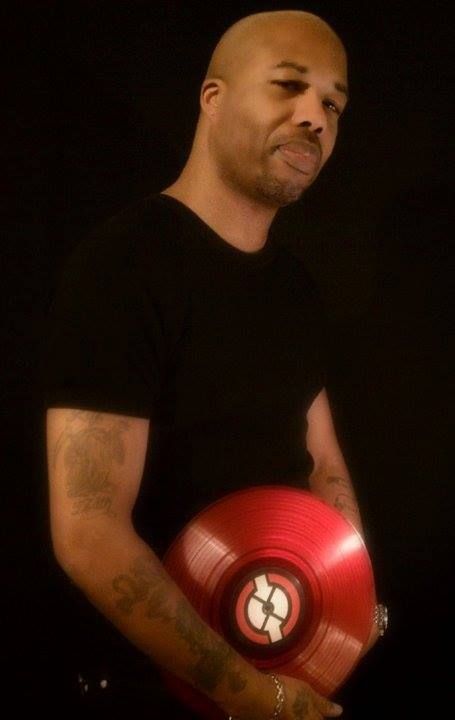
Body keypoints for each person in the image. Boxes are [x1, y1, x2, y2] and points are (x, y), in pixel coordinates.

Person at [43, 9, 381, 719]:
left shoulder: (293, 287)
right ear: (213, 97)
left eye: (333, 104)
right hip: (154, 695)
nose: (314, 117)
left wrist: (349, 595)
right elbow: (88, 532)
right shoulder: (121, 266)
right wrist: (250, 696)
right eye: (288, 84)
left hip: (286, 669)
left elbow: (321, 459)